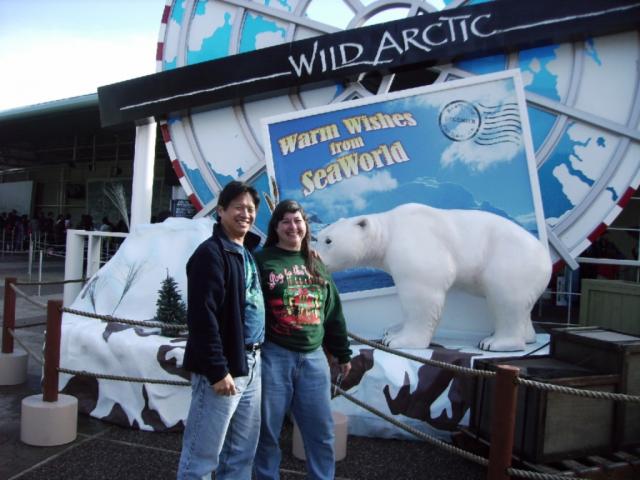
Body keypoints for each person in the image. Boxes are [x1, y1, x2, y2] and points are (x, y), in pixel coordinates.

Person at [254, 200, 352, 480]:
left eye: (297, 220)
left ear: (306, 226)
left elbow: (332, 311)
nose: (292, 226)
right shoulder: (261, 260)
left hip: (313, 359)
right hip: (274, 355)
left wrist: (342, 352)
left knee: (321, 433)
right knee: (267, 432)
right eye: (285, 221)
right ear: (276, 227)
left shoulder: (315, 261)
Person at [177, 181, 265, 480]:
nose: (245, 214)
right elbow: (202, 317)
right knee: (201, 456)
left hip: (251, 364)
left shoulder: (246, 251)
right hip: (225, 366)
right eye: (238, 207)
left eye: (250, 209)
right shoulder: (210, 254)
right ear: (221, 211)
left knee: (240, 454)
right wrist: (217, 370)